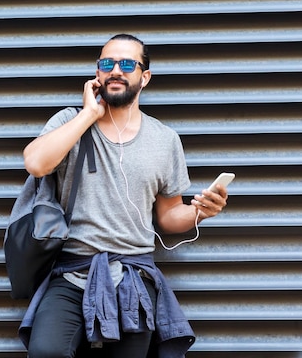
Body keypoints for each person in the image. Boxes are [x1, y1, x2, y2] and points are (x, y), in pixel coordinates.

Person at [19, 34, 229, 358]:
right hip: (71, 273)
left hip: (133, 278)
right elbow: (35, 163)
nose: (116, 70)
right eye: (107, 63)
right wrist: (89, 114)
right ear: (97, 74)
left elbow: (168, 217)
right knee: (45, 351)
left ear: (144, 77)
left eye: (127, 64)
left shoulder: (165, 139)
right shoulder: (69, 121)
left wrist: (200, 211)